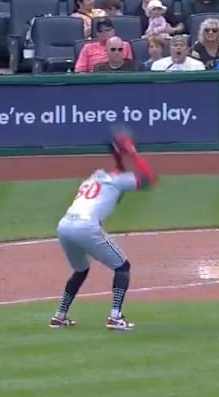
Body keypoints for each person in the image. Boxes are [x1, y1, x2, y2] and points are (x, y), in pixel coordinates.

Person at [49, 129, 158, 331]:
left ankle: (60, 316)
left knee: (80, 270)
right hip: (86, 226)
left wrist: (118, 156)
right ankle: (115, 316)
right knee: (122, 267)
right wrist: (132, 152)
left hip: (64, 226)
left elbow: (118, 172)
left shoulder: (93, 179)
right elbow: (149, 178)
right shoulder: (117, 181)